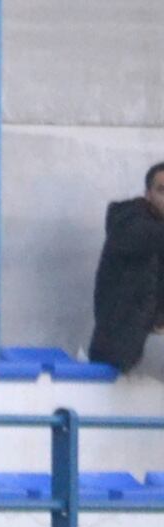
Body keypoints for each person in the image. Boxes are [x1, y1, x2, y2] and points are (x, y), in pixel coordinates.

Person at [89, 160, 164, 380]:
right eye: (162, 190)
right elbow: (142, 237)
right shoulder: (129, 222)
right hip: (117, 353)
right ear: (147, 194)